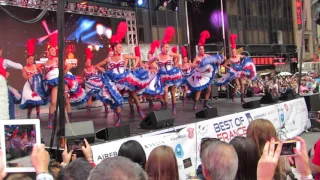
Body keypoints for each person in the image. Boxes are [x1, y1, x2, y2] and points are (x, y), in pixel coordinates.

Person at [97, 22, 149, 124]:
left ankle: (140, 110)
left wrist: (134, 65)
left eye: (121, 47)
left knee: (133, 94)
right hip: (115, 81)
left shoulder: (123, 56)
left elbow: (137, 57)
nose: (121, 49)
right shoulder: (109, 58)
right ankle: (119, 118)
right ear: (114, 48)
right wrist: (106, 72)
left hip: (125, 78)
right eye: (120, 47)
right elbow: (97, 65)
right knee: (117, 99)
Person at [148, 27, 182, 115]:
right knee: (165, 91)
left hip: (171, 74)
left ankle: (174, 107)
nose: (167, 48)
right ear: (162, 48)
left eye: (168, 47)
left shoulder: (170, 54)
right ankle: (166, 106)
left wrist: (176, 65)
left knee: (173, 91)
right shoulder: (157, 56)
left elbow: (178, 56)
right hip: (163, 76)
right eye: (166, 47)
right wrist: (155, 68)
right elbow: (149, 62)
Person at [20, 39, 47, 120]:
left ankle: (38, 117)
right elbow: (25, 77)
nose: (31, 61)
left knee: (38, 101)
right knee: (31, 102)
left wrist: (41, 72)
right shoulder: (24, 68)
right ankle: (28, 117)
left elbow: (43, 68)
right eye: (30, 59)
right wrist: (32, 74)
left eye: (32, 59)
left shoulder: (36, 66)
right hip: (29, 86)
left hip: (37, 85)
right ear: (27, 59)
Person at [187, 30, 213, 110]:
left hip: (207, 75)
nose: (202, 50)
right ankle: (195, 103)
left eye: (203, 49)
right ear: (198, 50)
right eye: (200, 49)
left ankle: (205, 103)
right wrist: (197, 65)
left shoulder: (207, 56)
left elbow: (213, 62)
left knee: (209, 89)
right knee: (199, 90)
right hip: (200, 75)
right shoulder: (197, 58)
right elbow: (192, 66)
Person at [82, 48, 112, 116]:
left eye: (90, 61)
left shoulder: (94, 67)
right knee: (90, 96)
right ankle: (88, 110)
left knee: (101, 95)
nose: (89, 62)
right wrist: (85, 79)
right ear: (85, 63)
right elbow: (83, 77)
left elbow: (101, 70)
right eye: (87, 62)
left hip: (97, 83)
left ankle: (106, 107)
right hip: (89, 85)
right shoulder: (84, 70)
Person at [222, 34, 247, 103]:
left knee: (242, 84)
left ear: (236, 51)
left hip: (240, 71)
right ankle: (233, 95)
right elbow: (224, 65)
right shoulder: (230, 59)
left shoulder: (239, 56)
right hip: (235, 72)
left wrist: (245, 60)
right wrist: (230, 67)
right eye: (232, 52)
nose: (233, 52)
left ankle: (242, 97)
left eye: (234, 51)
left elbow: (244, 56)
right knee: (237, 84)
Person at [0, 47, 23, 120]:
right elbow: (19, 66)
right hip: (2, 88)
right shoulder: (3, 61)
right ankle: (11, 124)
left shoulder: (4, 62)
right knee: (10, 104)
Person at [44, 33, 59, 128]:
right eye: (51, 50)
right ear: (48, 52)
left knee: (56, 101)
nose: (53, 51)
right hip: (49, 83)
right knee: (53, 102)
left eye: (54, 50)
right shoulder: (45, 62)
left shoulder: (57, 59)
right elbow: (45, 73)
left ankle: (65, 119)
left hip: (58, 81)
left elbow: (65, 68)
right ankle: (50, 119)